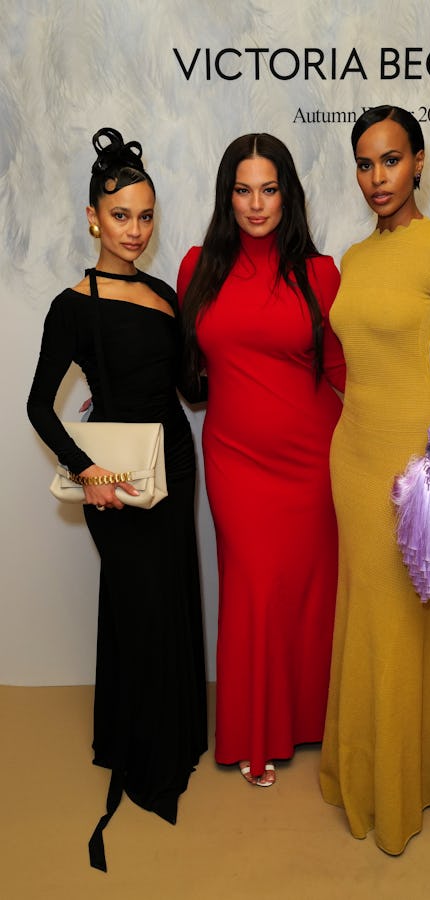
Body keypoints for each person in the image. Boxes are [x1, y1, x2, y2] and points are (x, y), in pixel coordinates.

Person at [27, 128, 207, 870]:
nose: (136, 230)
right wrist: (87, 471)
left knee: (171, 596)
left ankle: (174, 735)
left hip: (175, 464)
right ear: (94, 218)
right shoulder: (72, 304)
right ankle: (137, 752)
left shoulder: (164, 293)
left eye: (146, 216)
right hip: (118, 481)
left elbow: (191, 388)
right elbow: (40, 407)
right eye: (122, 215)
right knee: (136, 603)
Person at [319, 106, 430, 854]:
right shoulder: (354, 260)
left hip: (410, 470)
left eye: (390, 161)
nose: (376, 178)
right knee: (366, 617)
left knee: (398, 623)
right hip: (351, 457)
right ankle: (362, 770)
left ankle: (399, 793)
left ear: (419, 162)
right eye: (364, 164)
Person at [178, 133, 345, 787]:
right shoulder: (198, 266)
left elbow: (341, 370)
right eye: (242, 190)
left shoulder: (320, 272)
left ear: (288, 194)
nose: (255, 204)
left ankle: (309, 723)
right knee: (252, 588)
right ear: (227, 196)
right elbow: (178, 362)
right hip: (235, 459)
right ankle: (253, 736)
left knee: (309, 594)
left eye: (269, 189)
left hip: (313, 461)